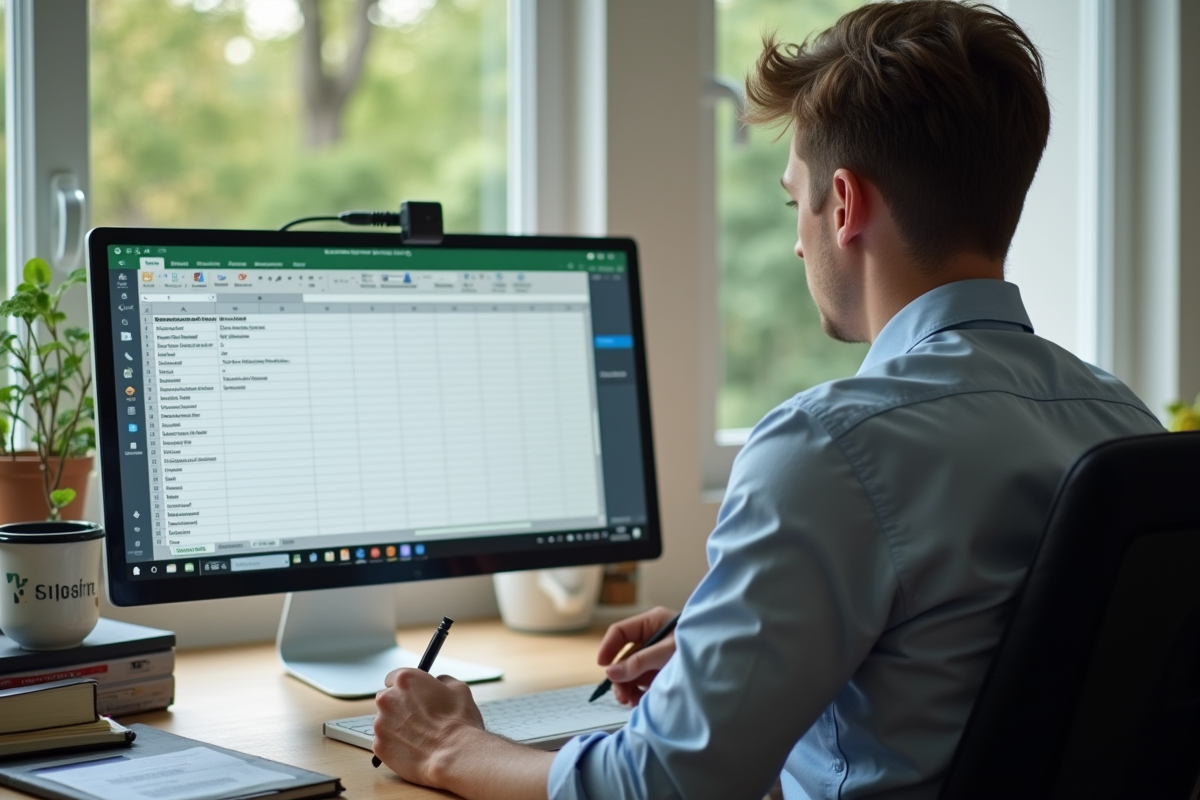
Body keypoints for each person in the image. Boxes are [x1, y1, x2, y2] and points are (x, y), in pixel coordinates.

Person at [371, 2, 1165, 798]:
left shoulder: (833, 446)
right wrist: (742, 641)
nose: (795, 239)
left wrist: (448, 748)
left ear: (845, 205)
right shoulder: (1125, 425)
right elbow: (972, 665)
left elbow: (664, 787)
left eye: (797, 203)